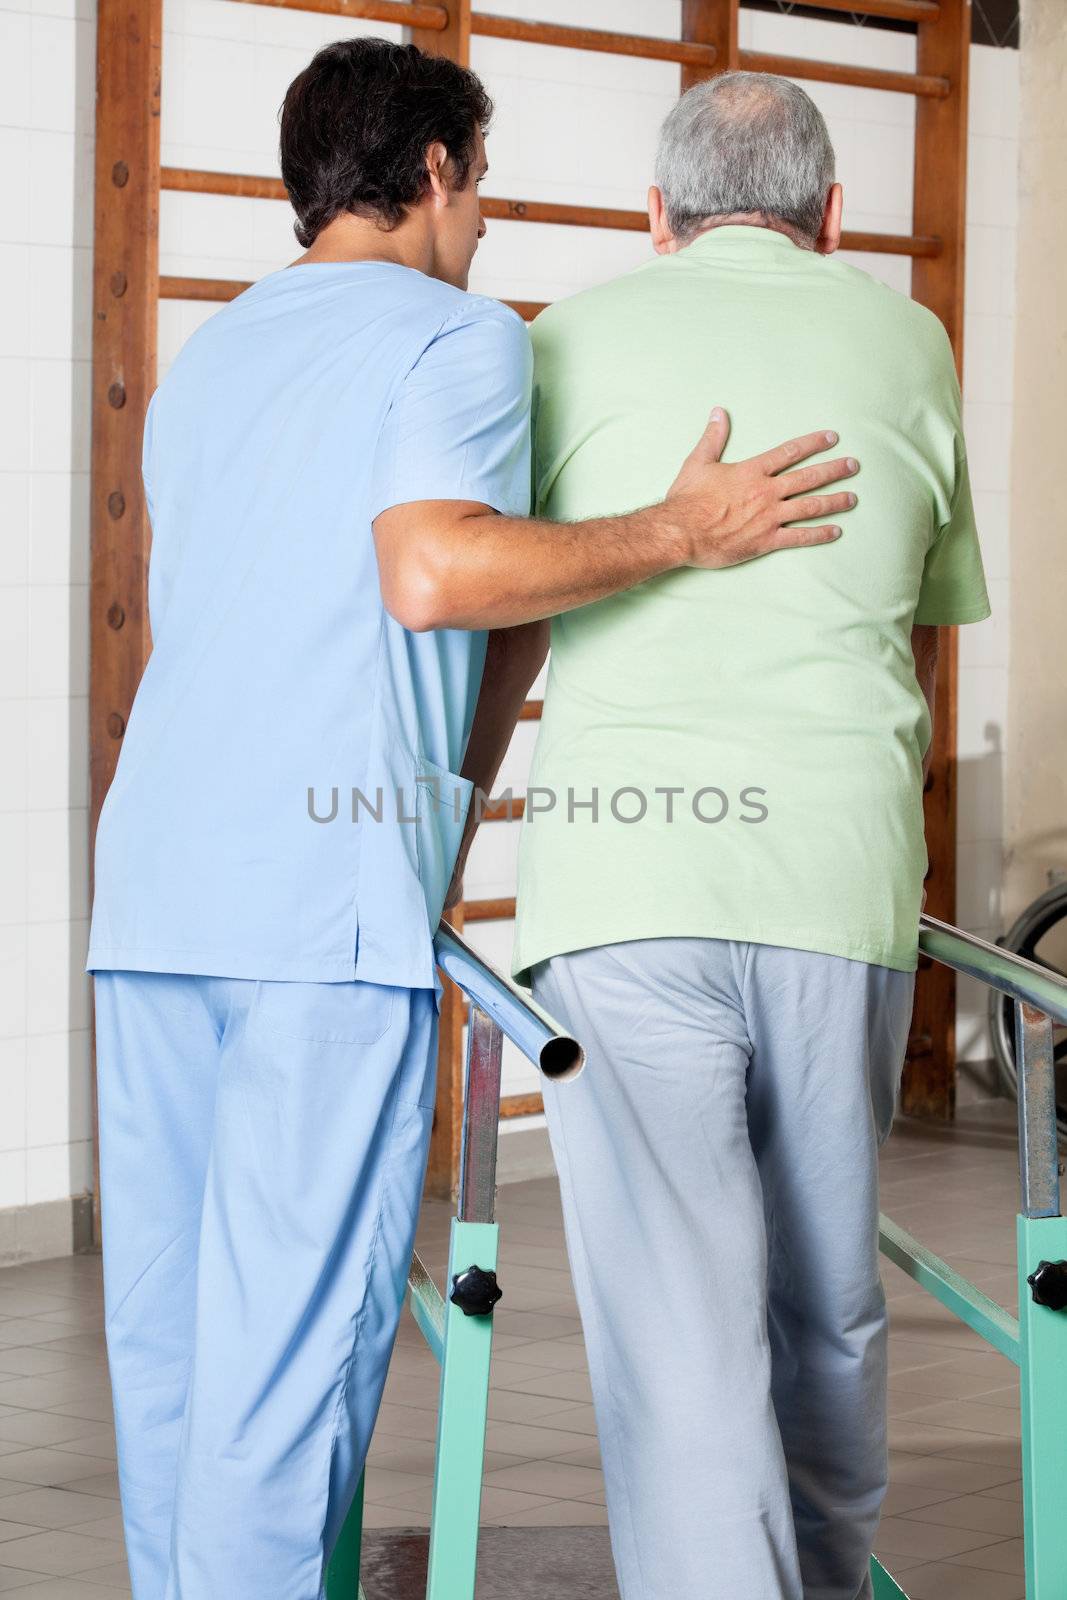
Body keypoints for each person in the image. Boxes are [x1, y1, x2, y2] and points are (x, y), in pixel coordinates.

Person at [85, 40, 861, 1600]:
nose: (485, 218)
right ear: (437, 171)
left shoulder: (214, 355)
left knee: (170, 1357)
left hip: (155, 891)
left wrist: (453, 792)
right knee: (290, 1372)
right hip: (321, 917)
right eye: (482, 182)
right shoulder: (457, 335)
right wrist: (674, 532)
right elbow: (432, 574)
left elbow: (412, 627)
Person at [507, 72, 991, 1600]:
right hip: (836, 875)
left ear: (657, 214)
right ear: (832, 213)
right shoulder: (907, 339)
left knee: (679, 1314)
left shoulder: (561, 338)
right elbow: (925, 618)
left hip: (621, 880)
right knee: (827, 1297)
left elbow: (509, 590)